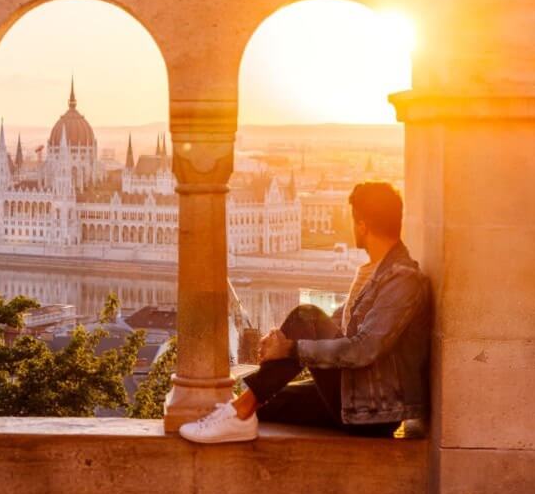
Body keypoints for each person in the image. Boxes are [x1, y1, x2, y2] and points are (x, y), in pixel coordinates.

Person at [179, 181, 431, 443]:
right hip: (355, 395)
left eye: (352, 221)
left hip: (375, 412)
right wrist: (281, 338)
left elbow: (363, 348)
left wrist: (290, 349)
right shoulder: (377, 273)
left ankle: (239, 412)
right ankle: (238, 414)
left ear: (363, 226)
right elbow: (338, 324)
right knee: (269, 402)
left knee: (306, 315)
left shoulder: (404, 279)